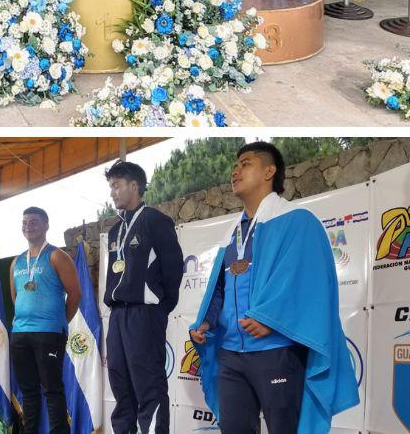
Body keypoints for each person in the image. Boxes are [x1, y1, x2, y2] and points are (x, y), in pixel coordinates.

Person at [189, 142, 359, 434]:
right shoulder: (232, 233)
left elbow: (309, 283)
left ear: (270, 171)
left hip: (276, 351)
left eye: (246, 163)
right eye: (235, 165)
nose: (235, 170)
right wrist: (206, 320)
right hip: (230, 355)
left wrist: (271, 317)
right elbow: (220, 286)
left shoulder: (298, 221)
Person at [103, 159, 184, 434]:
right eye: (110, 186)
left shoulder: (155, 220)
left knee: (148, 384)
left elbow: (174, 267)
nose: (112, 192)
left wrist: (160, 308)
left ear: (134, 185)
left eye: (116, 186)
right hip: (117, 316)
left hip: (144, 314)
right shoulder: (115, 230)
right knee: (120, 383)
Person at [9, 207, 82, 434]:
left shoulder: (57, 256)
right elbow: (16, 296)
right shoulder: (17, 262)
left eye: (34, 221)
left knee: (52, 390)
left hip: (49, 333)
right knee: (28, 391)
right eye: (25, 222)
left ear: (46, 225)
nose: (28, 226)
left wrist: (59, 321)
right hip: (20, 333)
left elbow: (75, 294)